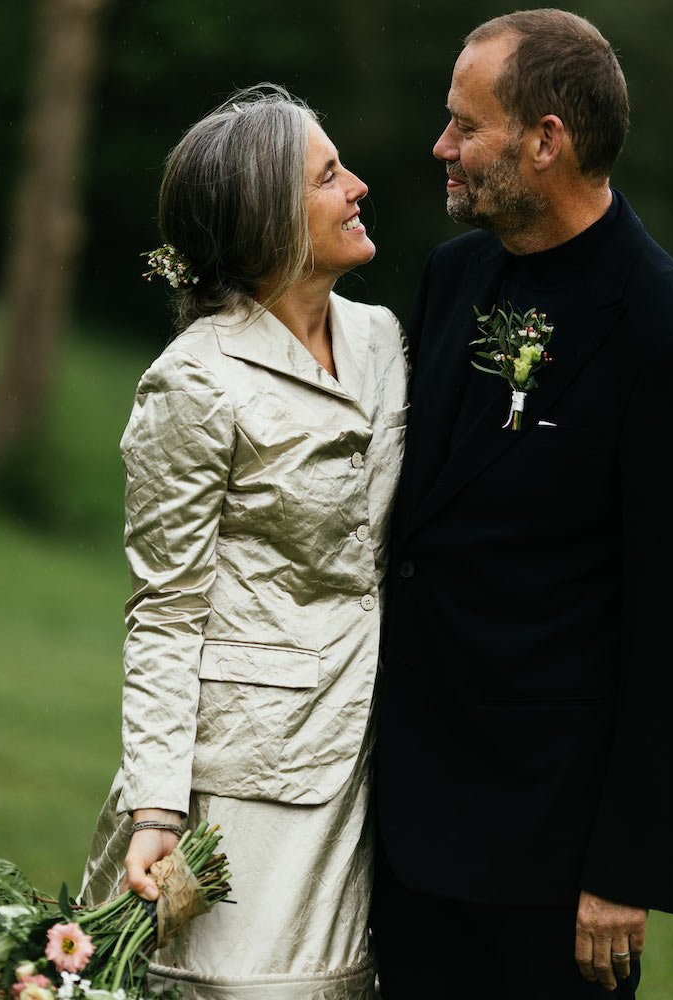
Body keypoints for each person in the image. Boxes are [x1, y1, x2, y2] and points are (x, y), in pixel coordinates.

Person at [371, 10, 673, 998]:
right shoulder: (453, 272)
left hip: (549, 849)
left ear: (545, 139)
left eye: (465, 126)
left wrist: (625, 868)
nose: (443, 148)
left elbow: (663, 615)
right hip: (409, 810)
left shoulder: (656, 323)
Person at [79, 85, 407, 998]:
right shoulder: (191, 382)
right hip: (248, 775)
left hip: (384, 750)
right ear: (270, 220)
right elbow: (166, 608)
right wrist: (157, 807)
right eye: (330, 175)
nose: (360, 187)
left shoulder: (382, 339)